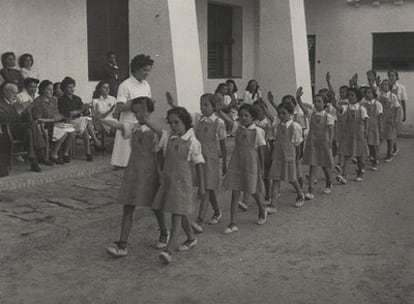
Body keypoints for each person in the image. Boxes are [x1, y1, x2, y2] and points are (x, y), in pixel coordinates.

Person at [106, 97, 168, 257]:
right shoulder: (133, 128)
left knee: (155, 205)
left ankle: (164, 232)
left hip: (150, 171)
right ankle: (123, 244)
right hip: (133, 172)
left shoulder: (156, 130)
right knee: (128, 206)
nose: (138, 114)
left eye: (141, 110)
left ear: (149, 111)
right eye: (136, 111)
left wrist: (146, 121)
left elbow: (163, 136)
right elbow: (115, 124)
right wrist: (104, 115)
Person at [145, 106, 205, 264]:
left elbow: (199, 164)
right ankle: (191, 238)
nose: (172, 126)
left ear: (185, 122)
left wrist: (202, 186)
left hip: (183, 184)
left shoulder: (192, 142)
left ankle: (168, 250)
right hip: (169, 182)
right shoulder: (169, 138)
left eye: (176, 122)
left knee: (176, 216)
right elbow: (159, 150)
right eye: (170, 123)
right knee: (180, 211)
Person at [166, 93, 227, 234]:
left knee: (206, 188)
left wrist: (224, 162)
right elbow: (184, 114)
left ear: (213, 106)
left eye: (206, 105)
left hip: (211, 159)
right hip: (198, 157)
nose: (203, 108)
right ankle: (217, 211)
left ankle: (199, 220)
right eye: (201, 105)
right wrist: (172, 105)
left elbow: (223, 144)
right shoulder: (198, 119)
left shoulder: (219, 123)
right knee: (206, 186)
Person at [219, 104, 268, 234]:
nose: (243, 118)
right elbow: (229, 120)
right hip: (237, 161)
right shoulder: (237, 128)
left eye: (246, 115)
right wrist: (219, 110)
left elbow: (261, 150)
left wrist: (262, 168)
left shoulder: (258, 131)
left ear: (253, 117)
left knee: (253, 190)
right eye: (241, 115)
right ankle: (233, 222)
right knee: (235, 192)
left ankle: (262, 210)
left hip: (251, 162)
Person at [111, 54, 153, 168]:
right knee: (125, 161)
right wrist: (137, 104)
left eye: (149, 70)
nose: (147, 73)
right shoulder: (125, 85)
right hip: (128, 122)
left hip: (142, 122)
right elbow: (120, 106)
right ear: (136, 69)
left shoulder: (146, 85)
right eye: (144, 70)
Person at [328, 73, 368, 184]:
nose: (349, 97)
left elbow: (365, 121)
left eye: (352, 95)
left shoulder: (362, 108)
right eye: (349, 95)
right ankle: (343, 175)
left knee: (359, 155)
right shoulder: (346, 107)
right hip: (348, 133)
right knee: (346, 154)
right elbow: (338, 107)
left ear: (357, 97)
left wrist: (366, 132)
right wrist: (333, 102)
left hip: (358, 134)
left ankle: (360, 171)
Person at [0, 82, 46, 172]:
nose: (15, 95)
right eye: (13, 92)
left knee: (30, 131)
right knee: (32, 124)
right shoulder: (1, 103)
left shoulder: (13, 103)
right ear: (5, 92)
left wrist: (25, 111)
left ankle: (33, 161)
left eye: (17, 93)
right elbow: (3, 118)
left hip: (18, 128)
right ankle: (40, 150)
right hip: (8, 130)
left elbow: (20, 118)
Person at [267, 102, 305, 210]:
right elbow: (274, 141)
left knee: (291, 178)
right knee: (276, 179)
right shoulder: (277, 126)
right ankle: (272, 205)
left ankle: (299, 194)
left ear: (291, 114)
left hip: (289, 156)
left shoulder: (295, 126)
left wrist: (296, 158)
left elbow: (298, 144)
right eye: (279, 113)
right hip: (277, 156)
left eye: (284, 113)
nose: (281, 116)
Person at [298, 92, 335, 200]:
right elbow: (303, 108)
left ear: (325, 104)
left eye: (319, 101)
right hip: (312, 143)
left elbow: (331, 129)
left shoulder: (328, 116)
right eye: (315, 101)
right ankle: (310, 190)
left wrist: (330, 142)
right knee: (312, 165)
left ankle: (329, 181)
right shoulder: (311, 114)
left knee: (324, 165)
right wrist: (298, 98)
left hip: (323, 143)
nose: (317, 104)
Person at [58, 76, 103, 161]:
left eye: (73, 87)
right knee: (86, 120)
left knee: (85, 126)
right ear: (64, 88)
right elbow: (69, 114)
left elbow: (82, 111)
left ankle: (87, 153)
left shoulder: (77, 98)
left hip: (79, 121)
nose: (72, 89)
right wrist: (81, 110)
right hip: (68, 121)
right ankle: (95, 141)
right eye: (69, 87)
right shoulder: (62, 100)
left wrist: (86, 108)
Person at [31, 80, 76, 164]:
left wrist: (59, 117)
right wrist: (53, 120)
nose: (51, 91)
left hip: (55, 124)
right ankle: (53, 154)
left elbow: (57, 114)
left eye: (52, 89)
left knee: (72, 131)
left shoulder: (53, 100)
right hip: (44, 126)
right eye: (48, 89)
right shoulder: (38, 102)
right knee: (65, 132)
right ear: (42, 90)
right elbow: (38, 119)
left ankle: (65, 153)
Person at [361, 86, 383, 171]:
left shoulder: (377, 104)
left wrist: (380, 128)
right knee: (367, 144)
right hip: (365, 125)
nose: (367, 94)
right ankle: (369, 158)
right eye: (366, 93)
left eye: (369, 93)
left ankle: (375, 161)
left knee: (373, 144)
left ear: (373, 94)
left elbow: (379, 117)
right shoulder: (363, 104)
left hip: (373, 126)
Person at [378, 79, 400, 163]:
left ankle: (389, 154)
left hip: (389, 119)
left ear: (389, 86)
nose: (384, 86)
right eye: (383, 84)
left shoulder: (393, 96)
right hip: (381, 118)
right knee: (380, 136)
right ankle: (375, 155)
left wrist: (396, 118)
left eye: (386, 84)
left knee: (389, 138)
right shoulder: (380, 96)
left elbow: (397, 107)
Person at [388, 70, 407, 156]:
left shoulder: (401, 87)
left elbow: (403, 101)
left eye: (393, 75)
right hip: (388, 111)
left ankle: (391, 150)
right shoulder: (387, 86)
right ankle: (395, 147)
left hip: (397, 111)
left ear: (396, 76)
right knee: (391, 131)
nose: (391, 77)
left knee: (394, 131)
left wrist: (405, 114)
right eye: (390, 76)